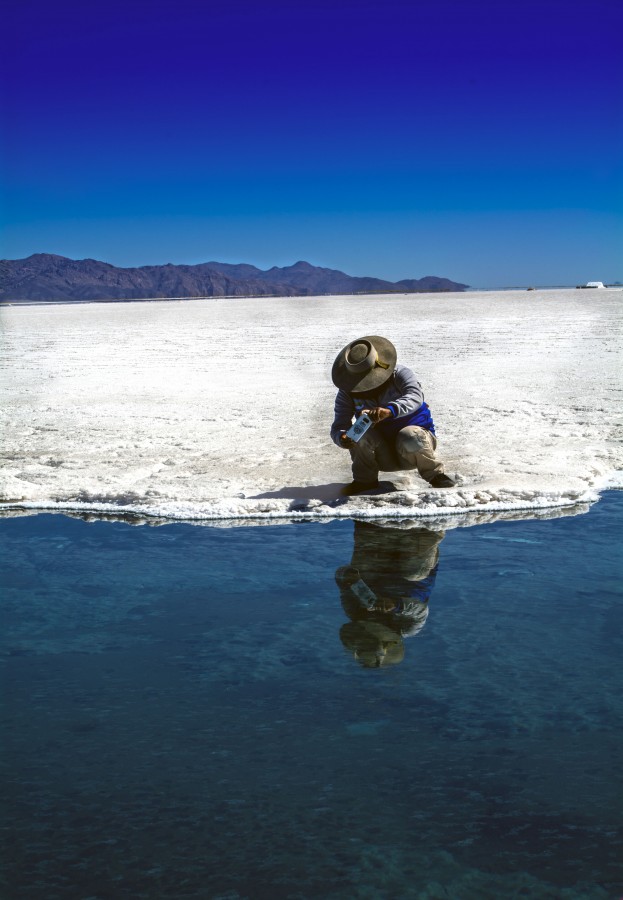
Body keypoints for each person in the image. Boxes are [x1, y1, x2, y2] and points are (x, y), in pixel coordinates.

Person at [330, 335, 455, 494]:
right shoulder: (347, 392)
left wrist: (389, 411)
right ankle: (364, 481)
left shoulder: (400, 374)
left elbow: (415, 396)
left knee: (410, 435)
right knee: (358, 434)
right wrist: (342, 438)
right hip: (382, 455)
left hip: (415, 450)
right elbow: (339, 425)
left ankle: (436, 476)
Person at [336, 520, 444, 667]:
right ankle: (430, 527)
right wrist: (396, 605)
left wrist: (349, 576)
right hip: (414, 559)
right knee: (414, 573)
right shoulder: (408, 628)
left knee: (362, 567)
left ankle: (370, 523)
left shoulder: (354, 612)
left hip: (382, 557)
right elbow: (419, 610)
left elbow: (341, 576)